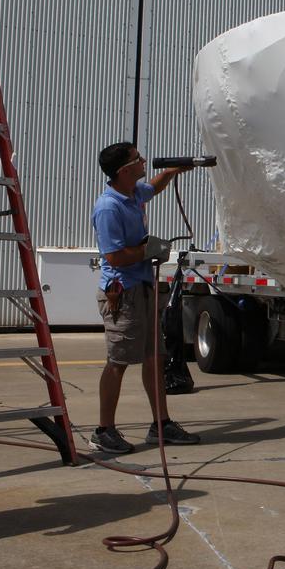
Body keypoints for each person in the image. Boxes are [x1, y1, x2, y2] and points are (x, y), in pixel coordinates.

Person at [90, 141, 201, 453]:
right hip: (122, 295)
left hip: (143, 288)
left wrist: (173, 171)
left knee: (155, 357)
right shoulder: (109, 207)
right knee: (119, 361)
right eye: (138, 159)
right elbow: (113, 257)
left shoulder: (133, 193)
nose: (143, 161)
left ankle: (161, 424)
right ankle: (103, 430)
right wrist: (149, 250)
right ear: (125, 170)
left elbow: (154, 186)